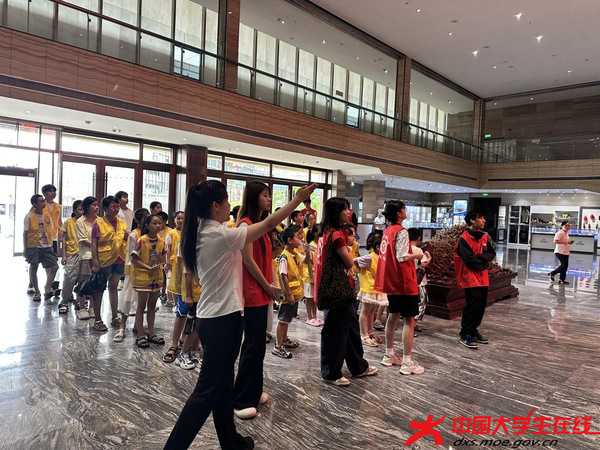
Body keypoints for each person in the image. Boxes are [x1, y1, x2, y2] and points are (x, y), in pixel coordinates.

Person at [164, 180, 316, 450]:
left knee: (223, 384)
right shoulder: (220, 235)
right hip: (222, 320)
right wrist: (297, 200)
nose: (229, 206)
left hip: (216, 317)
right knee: (206, 391)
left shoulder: (204, 232)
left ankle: (230, 441)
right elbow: (270, 224)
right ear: (215, 205)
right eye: (225, 201)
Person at [314, 197, 378, 387]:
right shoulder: (336, 235)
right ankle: (331, 372)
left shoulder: (326, 232)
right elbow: (349, 262)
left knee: (350, 329)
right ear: (336, 212)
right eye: (345, 209)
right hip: (338, 290)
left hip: (337, 289)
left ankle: (358, 366)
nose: (348, 212)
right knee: (336, 332)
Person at [233, 181, 279, 420]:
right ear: (253, 197)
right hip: (252, 292)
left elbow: (265, 260)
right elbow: (248, 261)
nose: (269, 199)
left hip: (262, 291)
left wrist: (271, 285)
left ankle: (253, 389)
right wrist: (266, 285)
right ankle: (241, 398)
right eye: (265, 195)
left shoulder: (261, 225)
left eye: (269, 195)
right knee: (252, 346)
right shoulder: (245, 225)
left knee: (258, 345)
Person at [374, 200, 424, 375]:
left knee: (393, 315)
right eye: (404, 209)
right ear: (398, 213)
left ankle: (389, 355)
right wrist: (417, 254)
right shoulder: (401, 231)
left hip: (392, 281)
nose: (405, 211)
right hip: (403, 281)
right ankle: (407, 362)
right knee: (409, 320)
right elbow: (402, 256)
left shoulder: (388, 230)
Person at [454, 210, 496, 350]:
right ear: (472, 220)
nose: (484, 220)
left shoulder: (484, 237)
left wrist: (481, 258)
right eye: (481, 218)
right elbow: (469, 260)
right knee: (472, 305)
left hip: (482, 278)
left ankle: (473, 330)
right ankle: (465, 333)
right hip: (470, 278)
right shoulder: (464, 239)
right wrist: (483, 262)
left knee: (480, 306)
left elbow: (491, 253)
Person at [90, 196, 128, 332]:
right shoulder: (98, 222)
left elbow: (123, 238)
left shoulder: (122, 222)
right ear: (105, 208)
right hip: (104, 259)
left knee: (114, 287)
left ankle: (114, 316)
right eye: (112, 206)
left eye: (117, 206)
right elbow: (93, 243)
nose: (115, 209)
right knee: (99, 289)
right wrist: (95, 263)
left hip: (119, 258)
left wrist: (127, 237)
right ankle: (97, 319)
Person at [131, 214, 166, 348]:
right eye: (154, 223)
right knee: (141, 306)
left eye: (159, 223)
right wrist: (147, 268)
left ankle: (151, 333)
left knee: (152, 306)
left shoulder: (161, 241)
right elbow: (134, 259)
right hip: (143, 277)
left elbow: (164, 260)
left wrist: (160, 258)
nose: (158, 226)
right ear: (147, 225)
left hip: (156, 277)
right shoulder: (142, 240)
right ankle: (140, 334)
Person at [114, 208, 149, 342]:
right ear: (138, 220)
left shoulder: (148, 235)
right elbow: (131, 256)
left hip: (147, 272)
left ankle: (138, 324)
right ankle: (122, 326)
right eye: (145, 218)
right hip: (135, 272)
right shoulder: (134, 235)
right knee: (128, 299)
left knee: (142, 301)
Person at [273, 225, 304, 359]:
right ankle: (278, 346)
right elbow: (283, 276)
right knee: (283, 320)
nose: (300, 239)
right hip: (288, 295)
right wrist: (289, 294)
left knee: (287, 319)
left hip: (295, 293)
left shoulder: (295, 254)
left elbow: (306, 262)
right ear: (290, 240)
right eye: (297, 236)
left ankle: (284, 340)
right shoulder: (284, 256)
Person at [23, 194, 59, 302]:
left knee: (55, 267)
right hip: (33, 246)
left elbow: (50, 230)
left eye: (44, 201)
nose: (44, 203)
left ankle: (47, 287)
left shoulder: (47, 215)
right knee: (34, 267)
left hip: (47, 245)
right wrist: (25, 249)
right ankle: (37, 291)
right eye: (41, 201)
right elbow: (25, 233)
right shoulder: (29, 216)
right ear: (34, 204)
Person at [354, 233, 387, 347]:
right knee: (365, 312)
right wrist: (359, 270)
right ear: (378, 247)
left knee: (372, 312)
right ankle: (364, 335)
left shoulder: (381, 257)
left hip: (377, 288)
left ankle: (370, 332)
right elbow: (355, 261)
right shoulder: (370, 257)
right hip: (369, 288)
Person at [76, 196, 99, 319]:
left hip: (98, 256)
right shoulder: (80, 221)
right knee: (84, 281)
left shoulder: (99, 220)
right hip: (86, 255)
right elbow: (83, 239)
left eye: (97, 205)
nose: (96, 207)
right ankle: (81, 307)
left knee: (95, 282)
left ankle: (92, 307)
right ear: (87, 207)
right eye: (93, 205)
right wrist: (96, 246)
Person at [59, 200, 83, 314]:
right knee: (69, 278)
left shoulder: (87, 221)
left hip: (84, 253)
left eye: (83, 209)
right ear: (74, 210)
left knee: (82, 278)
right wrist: (63, 255)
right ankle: (64, 301)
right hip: (72, 252)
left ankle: (79, 301)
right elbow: (63, 238)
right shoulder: (68, 222)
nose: (82, 212)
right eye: (79, 209)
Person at [408, 228, 431, 334]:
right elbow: (423, 264)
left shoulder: (405, 249)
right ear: (418, 238)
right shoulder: (418, 250)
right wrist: (429, 258)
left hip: (408, 280)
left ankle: (410, 323)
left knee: (410, 303)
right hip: (419, 281)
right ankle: (413, 324)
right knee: (422, 302)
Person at [302, 228, 321, 326]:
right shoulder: (310, 246)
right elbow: (308, 263)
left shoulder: (319, 245)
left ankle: (315, 316)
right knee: (309, 297)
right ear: (314, 233)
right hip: (309, 275)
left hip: (316, 273)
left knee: (315, 296)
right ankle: (309, 317)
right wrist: (311, 277)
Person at [165, 211, 184, 309]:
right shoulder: (171, 233)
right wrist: (167, 261)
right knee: (174, 282)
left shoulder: (187, 232)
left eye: (182, 219)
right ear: (174, 220)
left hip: (184, 261)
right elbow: (168, 248)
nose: (180, 221)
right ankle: (175, 303)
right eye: (178, 219)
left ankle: (182, 303)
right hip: (174, 261)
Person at [549, 220, 573, 285]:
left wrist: (569, 242)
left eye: (568, 226)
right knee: (563, 265)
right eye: (566, 226)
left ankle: (562, 279)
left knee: (565, 266)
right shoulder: (559, 233)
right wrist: (565, 242)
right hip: (559, 251)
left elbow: (566, 241)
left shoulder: (566, 233)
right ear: (562, 226)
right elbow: (555, 241)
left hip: (566, 251)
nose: (567, 227)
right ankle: (553, 273)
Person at [41, 184, 62, 256]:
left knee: (53, 258)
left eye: (54, 191)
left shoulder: (58, 206)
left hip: (54, 236)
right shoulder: (40, 205)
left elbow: (59, 221)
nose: (53, 193)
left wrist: (61, 230)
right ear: (44, 193)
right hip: (41, 236)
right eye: (50, 191)